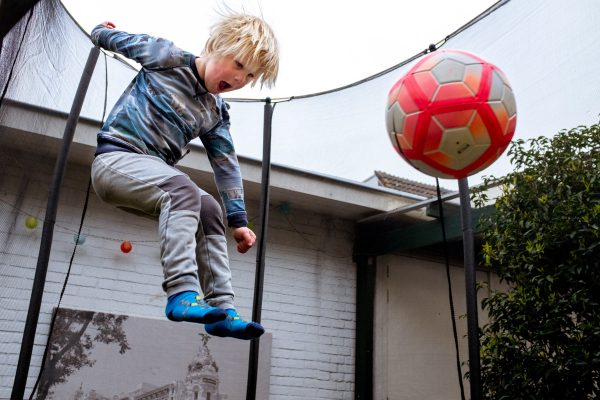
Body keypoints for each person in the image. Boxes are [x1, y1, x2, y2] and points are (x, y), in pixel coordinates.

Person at [89, 12, 279, 340]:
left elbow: (226, 165)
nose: (238, 79)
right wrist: (103, 33)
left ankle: (222, 310)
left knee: (208, 209)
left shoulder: (214, 111)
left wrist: (238, 221)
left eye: (249, 76)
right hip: (115, 160)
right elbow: (123, 42)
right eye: (236, 64)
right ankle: (181, 293)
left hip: (151, 175)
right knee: (183, 189)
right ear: (214, 46)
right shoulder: (167, 58)